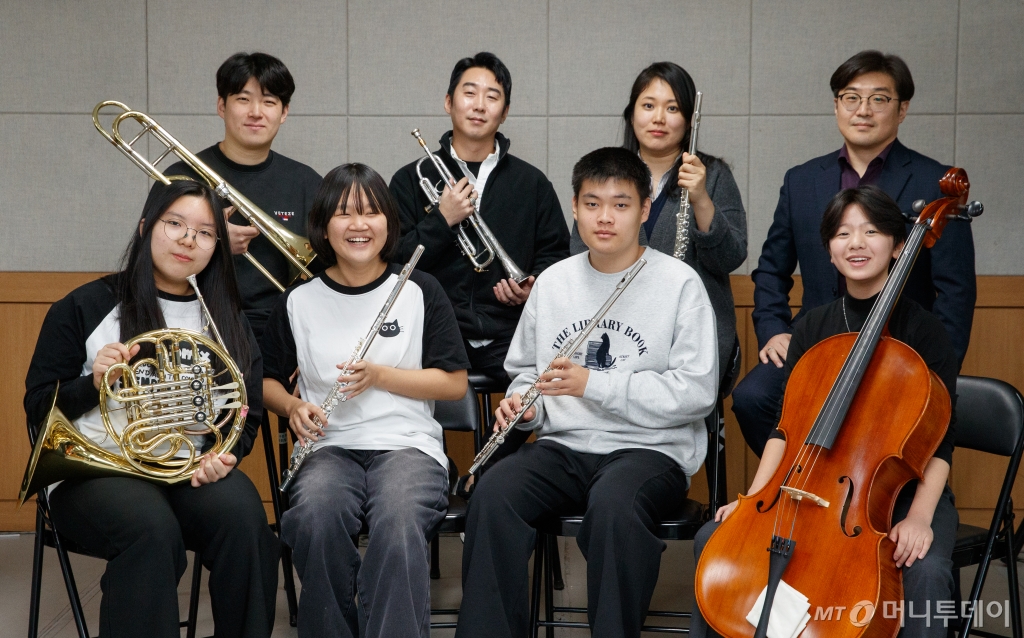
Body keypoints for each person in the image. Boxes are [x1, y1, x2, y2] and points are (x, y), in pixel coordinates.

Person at [455, 148, 718, 638]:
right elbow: (525, 374)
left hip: (649, 450)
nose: (605, 217)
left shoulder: (680, 283)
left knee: (615, 507)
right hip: (565, 446)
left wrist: (594, 384)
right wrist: (523, 407)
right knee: (494, 494)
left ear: (645, 209)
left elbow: (696, 393)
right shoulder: (554, 282)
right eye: (592, 203)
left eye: (620, 204)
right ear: (574, 208)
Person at [690, 185, 959, 638]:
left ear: (897, 246)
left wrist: (919, 518)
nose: (856, 243)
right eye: (842, 234)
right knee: (713, 541)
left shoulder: (926, 332)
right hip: (807, 488)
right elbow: (784, 430)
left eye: (871, 231)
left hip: (905, 494)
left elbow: (940, 442)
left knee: (926, 572)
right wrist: (753, 498)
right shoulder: (812, 325)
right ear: (830, 252)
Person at [24, 180, 279, 638]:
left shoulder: (224, 318)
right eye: (175, 224)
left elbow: (246, 410)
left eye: (204, 232)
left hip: (183, 467)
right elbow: (39, 406)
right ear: (145, 228)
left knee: (245, 519)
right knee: (151, 531)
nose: (188, 239)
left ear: (217, 247)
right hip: (93, 472)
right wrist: (92, 384)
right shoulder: (86, 305)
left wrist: (227, 456)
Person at [262, 164, 470, 638]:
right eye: (344, 213)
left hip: (407, 445)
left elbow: (454, 383)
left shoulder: (419, 289)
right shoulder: (299, 299)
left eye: (371, 212)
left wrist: (380, 376)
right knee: (315, 514)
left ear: (389, 223)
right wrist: (293, 408)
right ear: (323, 226)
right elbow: (266, 382)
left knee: (398, 520)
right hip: (328, 447)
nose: (359, 225)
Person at [733, 50, 975, 456]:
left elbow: (956, 291)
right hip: (813, 346)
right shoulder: (801, 180)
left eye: (879, 99)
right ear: (836, 106)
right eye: (851, 97)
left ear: (902, 110)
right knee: (753, 398)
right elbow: (771, 269)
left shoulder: (935, 183)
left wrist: (934, 374)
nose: (863, 110)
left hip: (896, 347)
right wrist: (773, 328)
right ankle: (799, 492)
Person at [390, 51, 570, 488]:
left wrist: (532, 286)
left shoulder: (532, 184)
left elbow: (558, 257)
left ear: (504, 112)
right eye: (469, 93)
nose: (479, 103)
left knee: (539, 392)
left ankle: (483, 474)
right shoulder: (409, 179)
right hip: (433, 330)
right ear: (448, 102)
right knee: (393, 393)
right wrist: (442, 219)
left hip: (507, 329)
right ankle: (435, 470)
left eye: (492, 96)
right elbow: (392, 261)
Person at [570, 61, 746, 382]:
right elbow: (580, 255)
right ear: (631, 113)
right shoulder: (605, 173)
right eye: (648, 105)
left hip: (692, 333)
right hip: (620, 329)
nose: (659, 118)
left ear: (690, 119)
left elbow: (730, 258)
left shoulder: (715, 174)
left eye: (673, 108)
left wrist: (701, 199)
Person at [145, 51, 322, 340]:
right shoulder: (180, 176)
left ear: (284, 112)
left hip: (279, 330)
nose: (256, 112)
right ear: (221, 106)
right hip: (191, 324)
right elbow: (147, 255)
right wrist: (211, 239)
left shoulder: (306, 182)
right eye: (243, 99)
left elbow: (327, 272)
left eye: (269, 101)